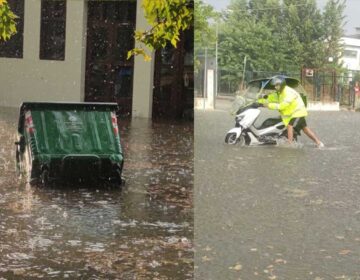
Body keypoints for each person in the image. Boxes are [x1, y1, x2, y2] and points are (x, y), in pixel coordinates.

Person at [258, 77, 324, 148]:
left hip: (298, 112)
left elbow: (282, 106)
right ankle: (319, 142)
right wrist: (259, 101)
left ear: (282, 85)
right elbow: (270, 98)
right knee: (305, 129)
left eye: (277, 85)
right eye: (275, 86)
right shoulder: (280, 92)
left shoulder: (288, 92)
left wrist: (268, 105)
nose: (275, 87)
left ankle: (290, 144)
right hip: (294, 113)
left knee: (290, 126)